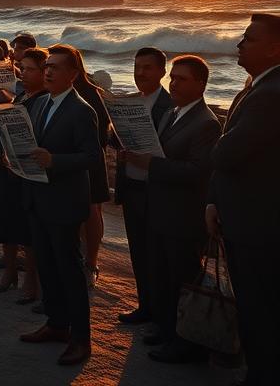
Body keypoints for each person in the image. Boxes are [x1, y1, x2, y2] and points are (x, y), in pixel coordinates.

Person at [117, 55, 221, 363]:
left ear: (201, 84)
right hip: (159, 209)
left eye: (182, 79)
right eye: (173, 77)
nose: (173, 83)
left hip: (182, 215)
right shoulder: (171, 114)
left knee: (182, 278)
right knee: (161, 274)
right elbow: (158, 150)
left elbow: (198, 171)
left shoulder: (206, 123)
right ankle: (166, 328)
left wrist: (153, 165)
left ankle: (185, 343)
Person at [207, 13, 280, 385]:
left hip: (258, 226)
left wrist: (218, 146)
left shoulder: (270, 94)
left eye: (249, 39)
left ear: (274, 48)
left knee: (260, 309)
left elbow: (224, 153)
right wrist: (214, 200)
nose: (239, 44)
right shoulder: (256, 87)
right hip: (243, 217)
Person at [19, 44, 100, 367]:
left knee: (70, 270)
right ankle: (56, 324)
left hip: (65, 201)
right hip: (39, 196)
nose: (48, 71)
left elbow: (92, 158)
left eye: (56, 67)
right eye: (47, 66)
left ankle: (81, 339)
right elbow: (33, 145)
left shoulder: (82, 110)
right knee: (48, 267)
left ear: (73, 74)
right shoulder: (41, 104)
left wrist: (56, 161)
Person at [0, 47, 46, 303]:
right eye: (22, 68)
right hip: (5, 165)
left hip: (27, 172)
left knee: (26, 229)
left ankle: (31, 280)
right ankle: (9, 272)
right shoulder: (21, 96)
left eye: (30, 69)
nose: (23, 73)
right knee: (4, 221)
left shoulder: (43, 100)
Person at [116, 47, 174, 325]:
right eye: (137, 67)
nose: (140, 73)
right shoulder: (129, 101)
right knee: (138, 251)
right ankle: (145, 306)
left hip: (156, 190)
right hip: (131, 187)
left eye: (147, 68)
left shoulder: (170, 105)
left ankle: (162, 314)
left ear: (162, 72)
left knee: (158, 256)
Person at [72, 49, 112, 289]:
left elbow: (101, 134)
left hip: (90, 162)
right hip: (70, 163)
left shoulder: (91, 94)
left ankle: (92, 261)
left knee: (91, 210)